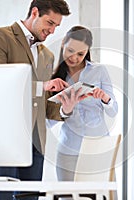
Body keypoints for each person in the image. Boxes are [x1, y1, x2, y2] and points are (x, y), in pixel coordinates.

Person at [0, 0, 70, 199]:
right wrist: (42, 86)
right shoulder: (0, 37)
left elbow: (45, 105)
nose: (52, 31)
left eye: (56, 26)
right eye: (49, 23)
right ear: (35, 12)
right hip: (5, 138)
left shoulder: (46, 55)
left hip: (35, 142)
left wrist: (66, 107)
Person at [51, 26, 118, 184]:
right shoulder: (54, 77)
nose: (74, 58)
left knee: (103, 195)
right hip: (68, 152)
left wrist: (105, 98)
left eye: (80, 54)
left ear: (87, 51)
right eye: (70, 50)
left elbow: (113, 111)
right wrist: (65, 111)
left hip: (98, 150)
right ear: (63, 44)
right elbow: (47, 121)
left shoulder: (99, 71)